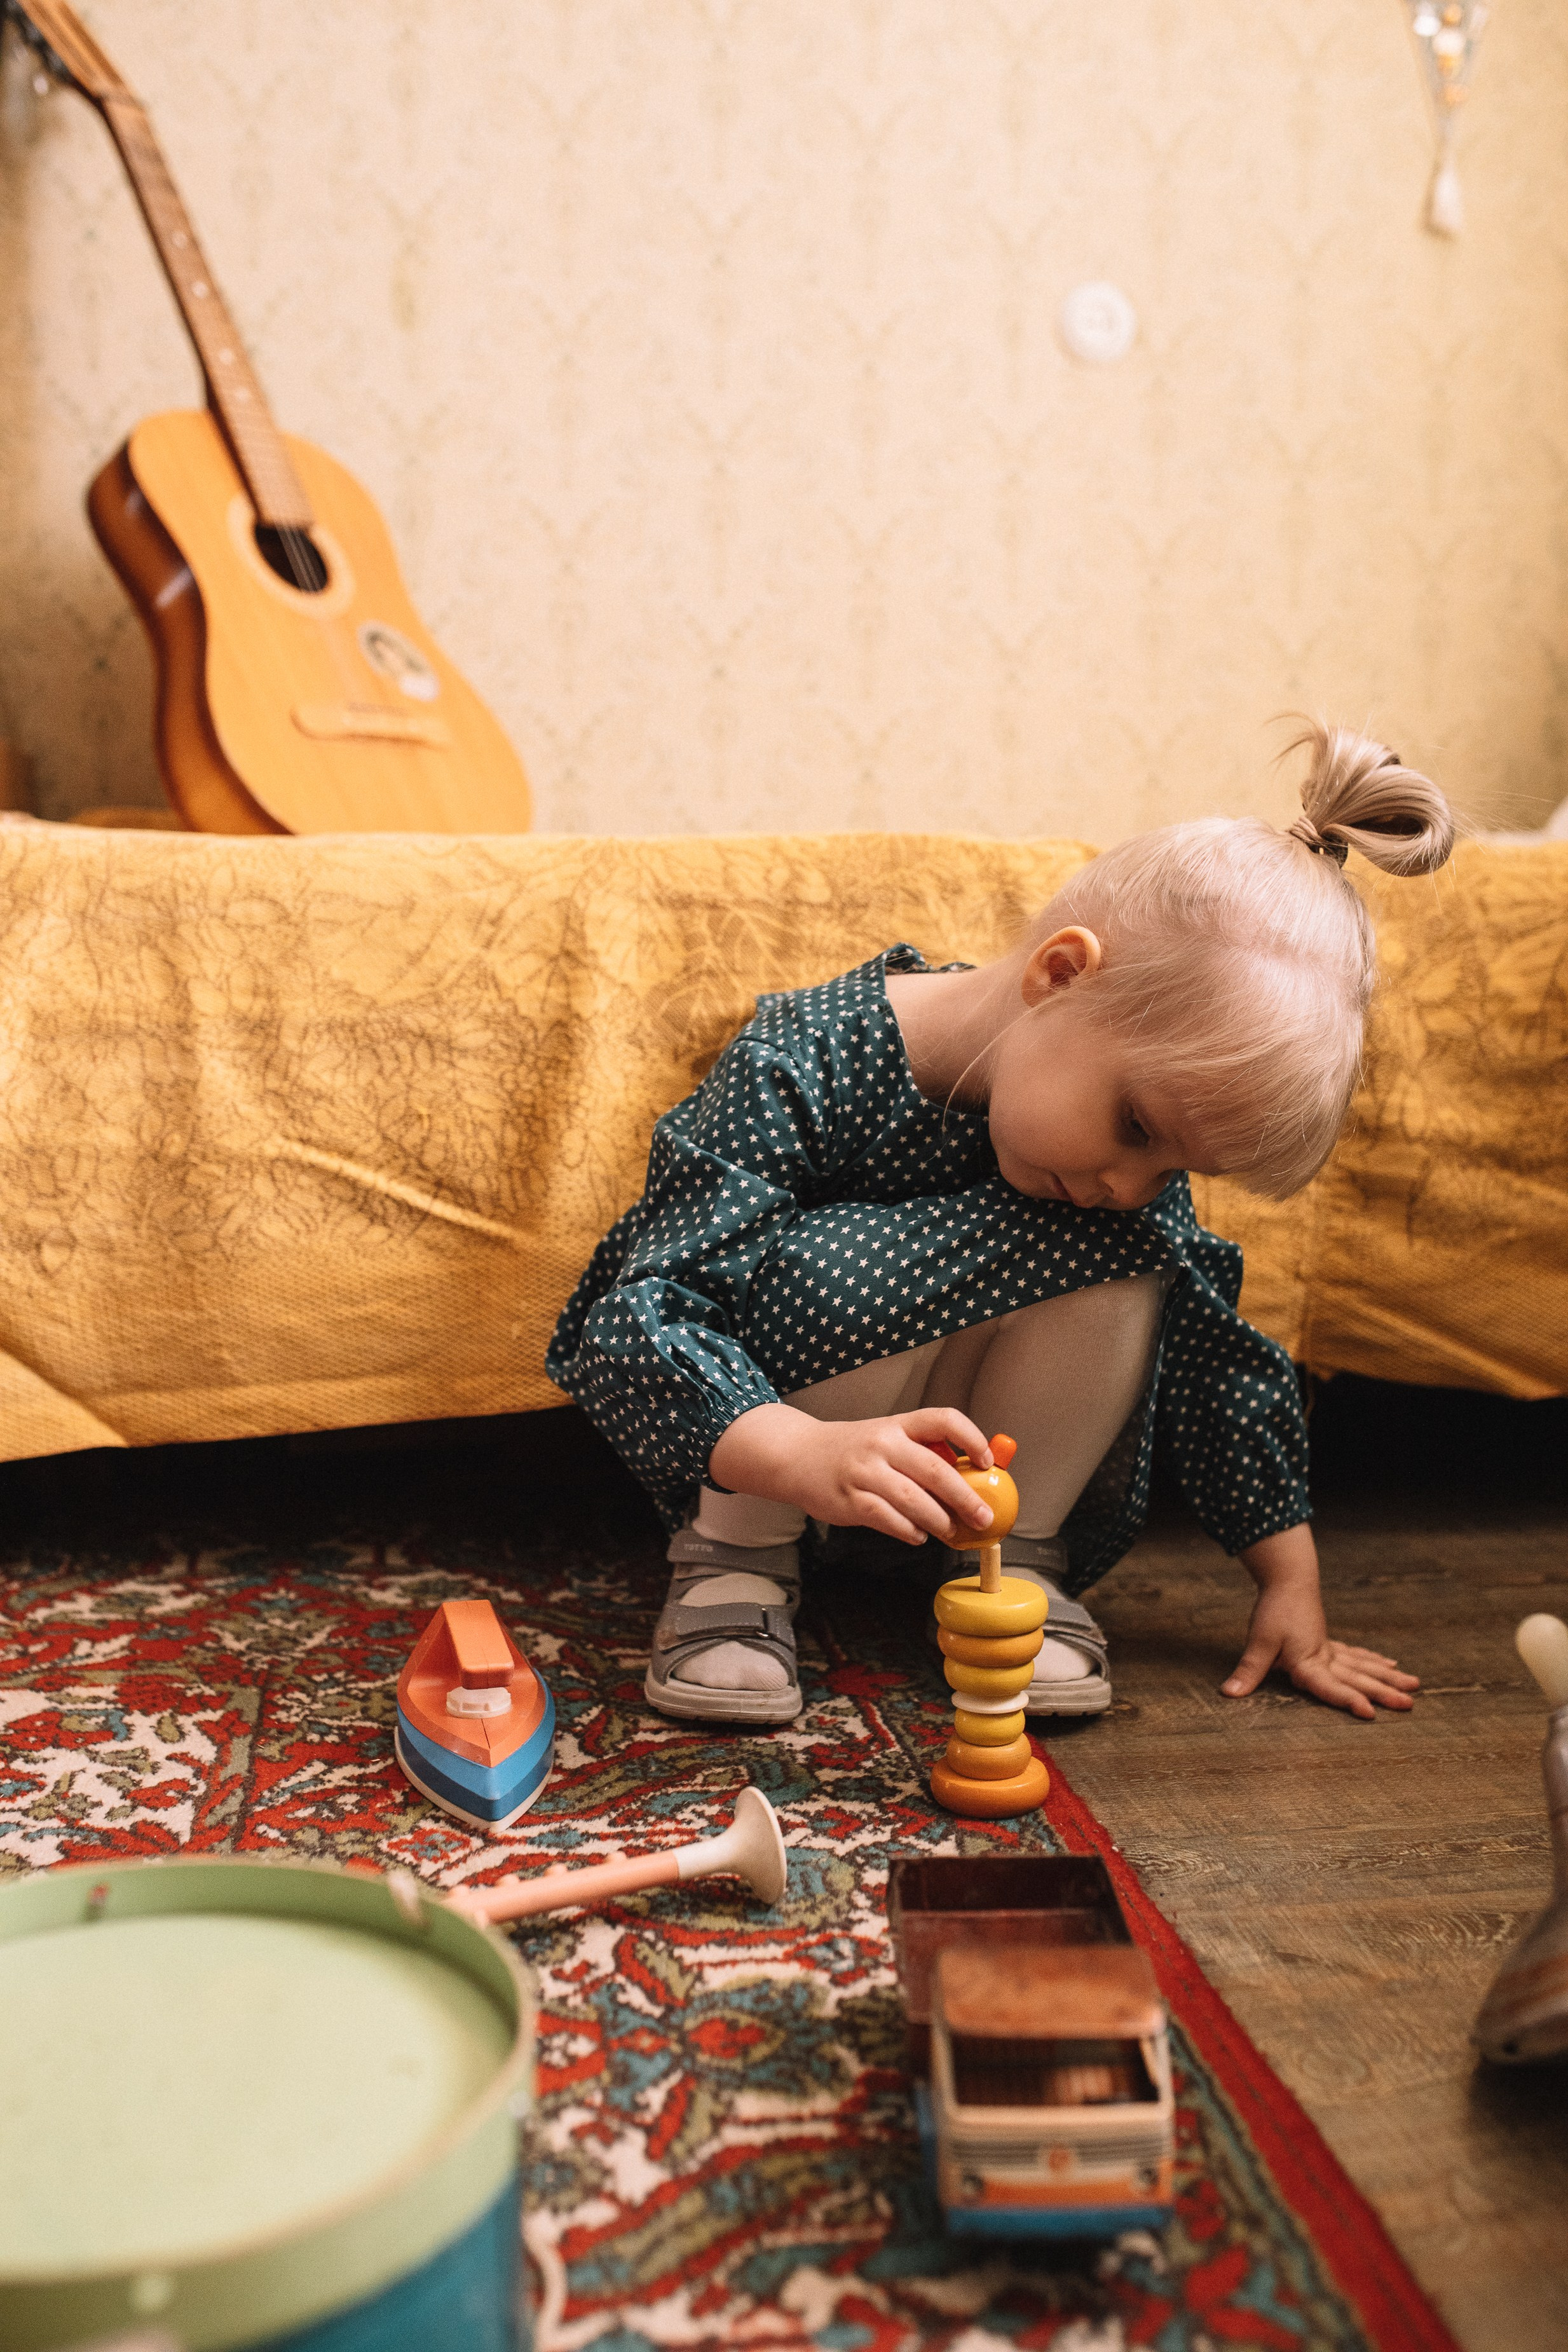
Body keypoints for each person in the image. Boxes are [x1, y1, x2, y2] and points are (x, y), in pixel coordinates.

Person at [548, 722, 1454, 1730]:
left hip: (982, 1507)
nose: (1129, 1182)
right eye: (1138, 1128)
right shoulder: (802, 1062)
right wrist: (795, 1452)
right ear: (1060, 975)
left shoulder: (1110, 1186)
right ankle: (735, 1567)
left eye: (1176, 1167)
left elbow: (1210, 1353)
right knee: (823, 1263)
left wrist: (1291, 1583)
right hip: (767, 1475)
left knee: (1139, 1262)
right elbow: (644, 1307)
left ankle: (1012, 1566)